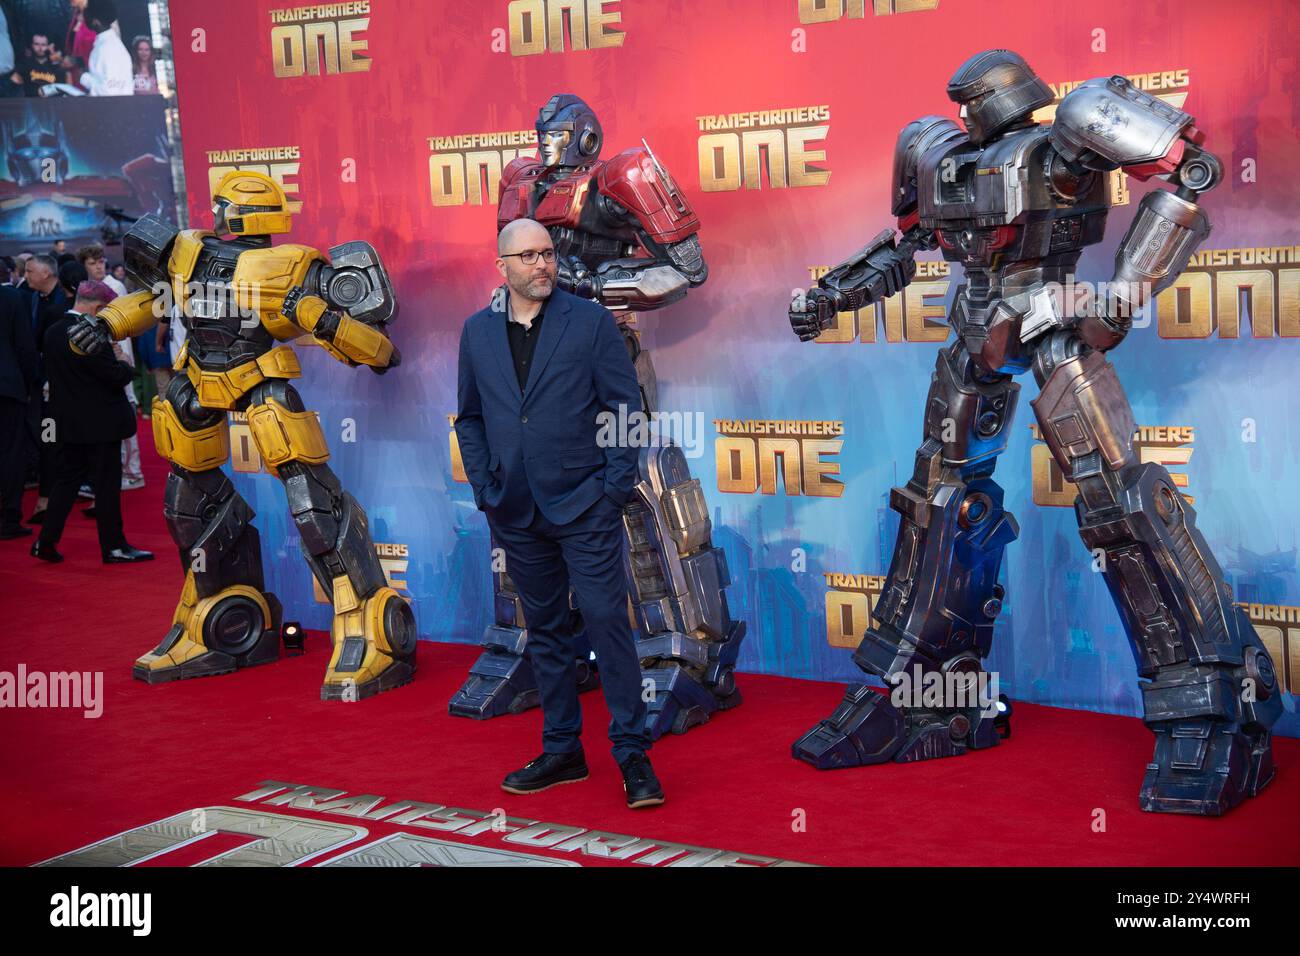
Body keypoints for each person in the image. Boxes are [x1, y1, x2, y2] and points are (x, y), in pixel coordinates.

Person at [455, 218, 663, 809]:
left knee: (605, 622)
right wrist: (485, 487)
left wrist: (614, 488)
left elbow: (625, 407)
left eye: (547, 254)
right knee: (544, 632)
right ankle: (563, 748)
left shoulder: (591, 323)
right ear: (503, 266)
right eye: (527, 256)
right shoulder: (476, 333)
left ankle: (632, 753)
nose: (541, 265)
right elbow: (470, 417)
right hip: (515, 509)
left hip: (585, 504)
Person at [30, 280, 151, 564]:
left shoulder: (52, 332)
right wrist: (124, 362)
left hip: (67, 422)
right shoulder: (92, 335)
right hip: (101, 423)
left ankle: (44, 541)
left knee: (66, 482)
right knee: (107, 485)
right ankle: (114, 546)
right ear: (98, 307)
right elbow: (114, 376)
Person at [0, 284, 37, 539]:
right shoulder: (11, 297)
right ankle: (9, 518)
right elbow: (25, 345)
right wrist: (29, 384)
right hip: (8, 387)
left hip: (9, 385)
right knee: (12, 452)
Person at [78, 1, 132, 97]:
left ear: (96, 22)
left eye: (86, 16)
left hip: (115, 110)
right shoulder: (105, 44)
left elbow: (110, 92)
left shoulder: (109, 48)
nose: (84, 19)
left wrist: (84, 77)